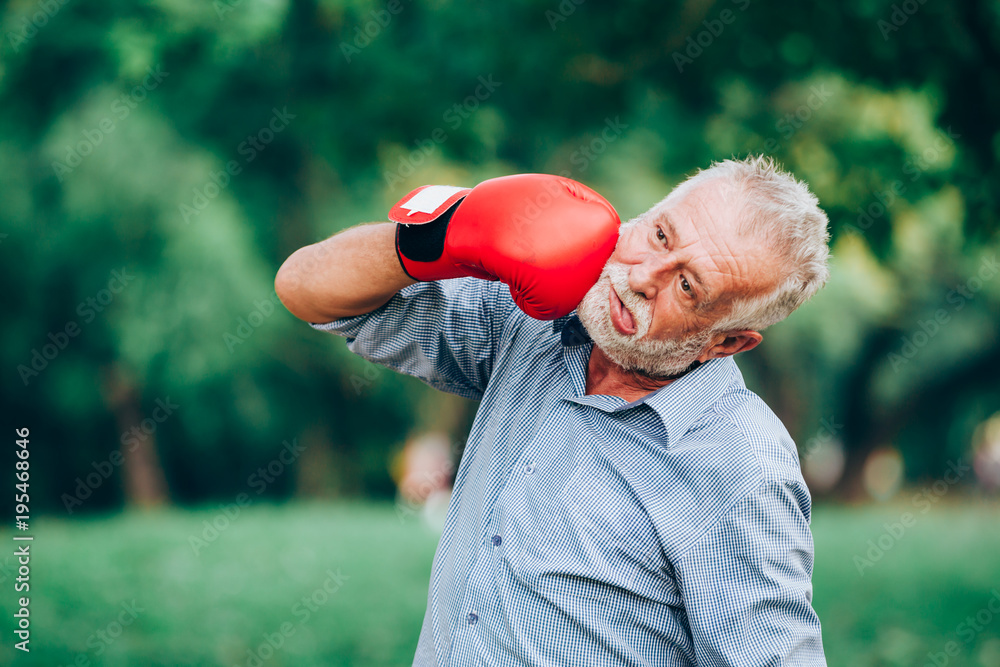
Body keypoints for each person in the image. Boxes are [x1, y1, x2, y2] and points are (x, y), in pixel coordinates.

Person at [275, 155, 830, 666]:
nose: (640, 276)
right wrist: (438, 240)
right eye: (659, 234)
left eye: (686, 286)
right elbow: (306, 290)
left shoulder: (739, 466)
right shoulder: (534, 322)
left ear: (725, 343)